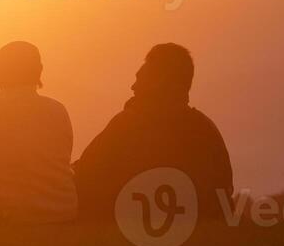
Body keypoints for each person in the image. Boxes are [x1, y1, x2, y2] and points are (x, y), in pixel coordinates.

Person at [73, 43, 234, 221]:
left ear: (157, 82)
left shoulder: (125, 126)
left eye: (140, 78)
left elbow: (84, 175)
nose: (132, 86)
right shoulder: (207, 131)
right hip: (196, 237)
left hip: (128, 236)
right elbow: (224, 194)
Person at [0, 41, 78, 224]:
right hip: (63, 211)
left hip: (8, 214)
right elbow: (64, 157)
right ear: (39, 70)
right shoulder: (57, 109)